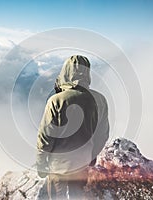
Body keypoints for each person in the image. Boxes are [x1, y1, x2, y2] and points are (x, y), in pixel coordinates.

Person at [36, 55, 109, 200]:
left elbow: (45, 138)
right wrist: (92, 156)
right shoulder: (100, 100)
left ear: (66, 72)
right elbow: (102, 135)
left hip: (58, 168)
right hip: (82, 164)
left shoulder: (56, 101)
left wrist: (41, 164)